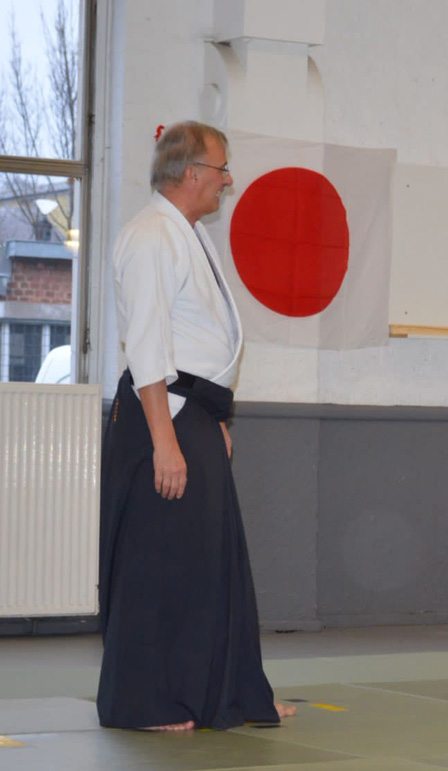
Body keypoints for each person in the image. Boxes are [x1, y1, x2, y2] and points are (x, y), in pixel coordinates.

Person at [97, 121, 295, 731]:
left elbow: (198, 341)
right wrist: (165, 441)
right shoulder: (151, 235)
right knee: (159, 563)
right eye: (221, 169)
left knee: (212, 563)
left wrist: (212, 419)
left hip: (192, 414)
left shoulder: (186, 233)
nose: (227, 180)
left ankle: (230, 692)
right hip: (162, 418)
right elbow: (149, 345)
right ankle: (145, 701)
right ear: (191, 173)